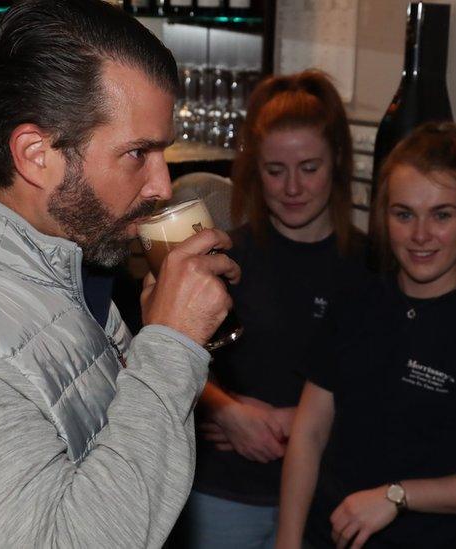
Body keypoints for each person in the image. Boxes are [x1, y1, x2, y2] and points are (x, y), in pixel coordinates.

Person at [0, 1, 240, 546]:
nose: (162, 186)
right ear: (35, 155)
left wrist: (160, 335)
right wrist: (171, 345)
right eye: (137, 153)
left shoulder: (63, 260)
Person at [277, 122, 456, 549]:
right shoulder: (355, 301)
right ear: (384, 215)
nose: (420, 235)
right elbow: (309, 432)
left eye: (441, 214)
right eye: (404, 214)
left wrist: (396, 496)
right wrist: (286, 542)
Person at [177, 71, 370, 548]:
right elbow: (163, 354)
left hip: (334, 497)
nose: (292, 187)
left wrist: (300, 419)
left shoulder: (374, 267)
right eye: (274, 170)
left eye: (309, 167)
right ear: (253, 170)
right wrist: (224, 410)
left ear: (338, 162)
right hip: (224, 495)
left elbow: (388, 383)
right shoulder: (225, 257)